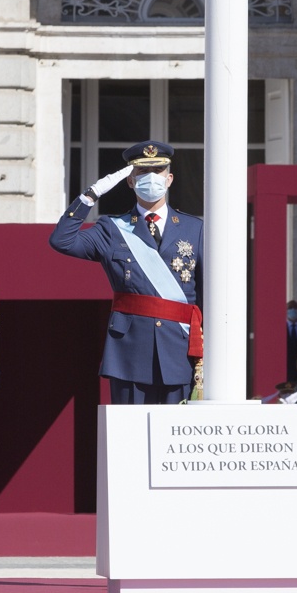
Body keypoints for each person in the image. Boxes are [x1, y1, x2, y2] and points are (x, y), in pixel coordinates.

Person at [49, 141, 203, 404]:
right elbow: (61, 241)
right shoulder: (112, 228)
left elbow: (208, 290)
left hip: (179, 347)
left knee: (175, 439)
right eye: (143, 174)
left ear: (170, 179)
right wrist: (90, 195)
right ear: (130, 182)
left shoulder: (194, 228)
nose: (151, 179)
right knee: (130, 439)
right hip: (130, 350)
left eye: (158, 172)